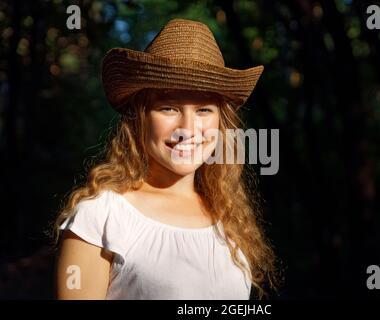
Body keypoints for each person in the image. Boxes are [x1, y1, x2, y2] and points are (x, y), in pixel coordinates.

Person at [53, 18, 282, 300]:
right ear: (140, 119)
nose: (187, 128)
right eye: (169, 107)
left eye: (204, 110)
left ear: (221, 124)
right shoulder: (100, 216)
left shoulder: (229, 215)